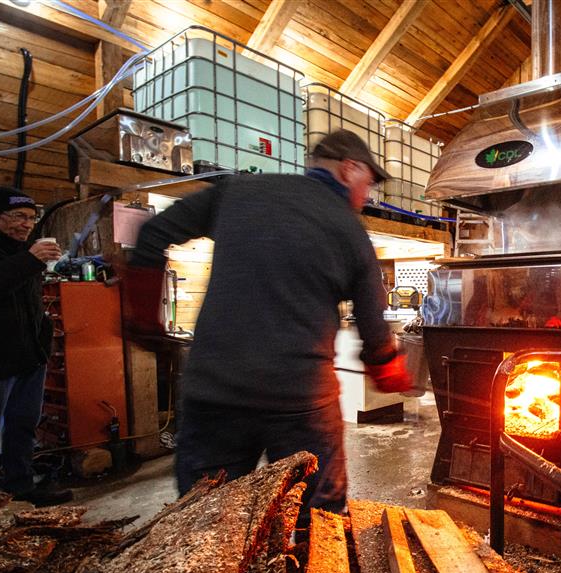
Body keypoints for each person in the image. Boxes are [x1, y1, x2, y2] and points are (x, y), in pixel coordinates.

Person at [122, 129, 412, 521]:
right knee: (318, 518)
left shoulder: (239, 191)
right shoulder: (348, 229)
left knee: (205, 518)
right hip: (299, 402)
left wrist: (144, 321)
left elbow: (153, 233)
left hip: (214, 393)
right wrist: (388, 369)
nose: (368, 196)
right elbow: (374, 325)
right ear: (348, 169)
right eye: (369, 184)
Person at [0, 186, 71, 506]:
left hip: (29, 358)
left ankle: (20, 486)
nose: (26, 224)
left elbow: (30, 303)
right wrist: (29, 259)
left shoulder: (22, 251)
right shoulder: (18, 254)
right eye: (18, 217)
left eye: (30, 217)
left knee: (23, 426)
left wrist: (43, 337)